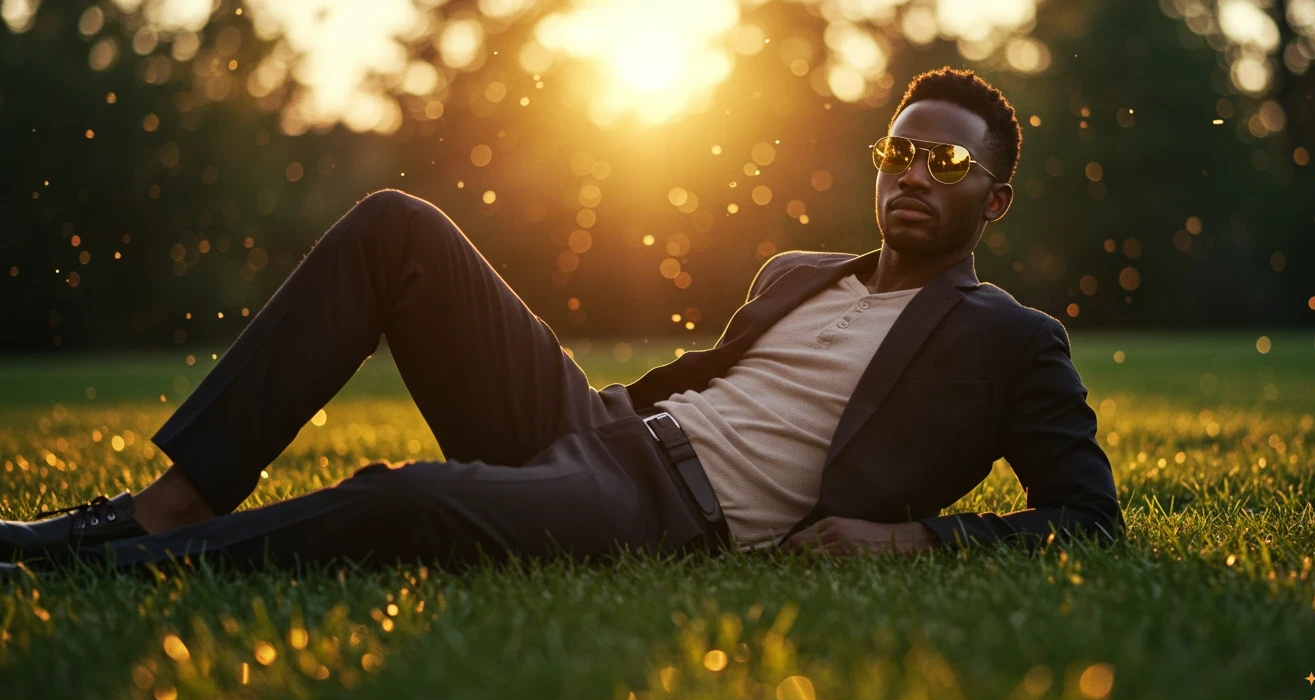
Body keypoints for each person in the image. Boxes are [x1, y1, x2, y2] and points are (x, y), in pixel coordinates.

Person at [1, 67, 1121, 574]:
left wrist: (913, 537)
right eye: (897, 151)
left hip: (666, 506)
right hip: (598, 426)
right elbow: (708, 381)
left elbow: (1086, 520)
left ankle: (108, 575)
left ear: (996, 197)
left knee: (407, 499)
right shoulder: (797, 273)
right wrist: (592, 420)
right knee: (400, 224)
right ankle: (163, 510)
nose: (912, 173)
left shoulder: (1011, 340)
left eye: (946, 160)